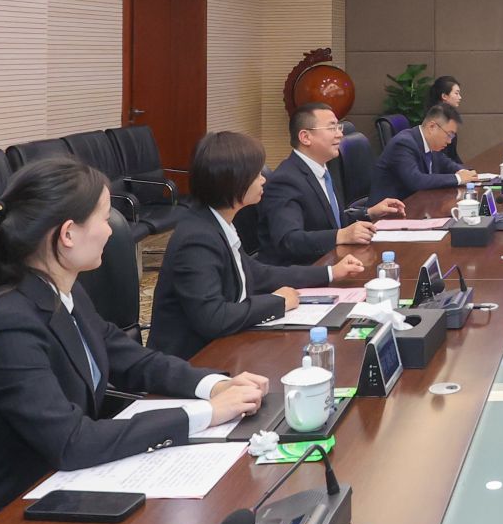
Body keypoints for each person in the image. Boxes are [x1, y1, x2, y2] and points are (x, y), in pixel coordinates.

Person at [0, 157, 268, 524]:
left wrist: (213, 385)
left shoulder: (61, 291)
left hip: (58, 498)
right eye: (104, 218)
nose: (111, 229)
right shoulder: (8, 323)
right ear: (68, 233)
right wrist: (206, 413)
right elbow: (72, 442)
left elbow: (129, 358)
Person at [149, 131, 366, 359]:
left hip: (227, 345)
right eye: (256, 175)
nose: (263, 180)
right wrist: (277, 302)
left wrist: (330, 272)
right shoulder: (197, 239)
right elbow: (213, 317)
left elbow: (258, 273)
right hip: (194, 359)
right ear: (234, 181)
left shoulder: (217, 222)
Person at [243, 103, 405, 265]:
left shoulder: (321, 169)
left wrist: (370, 213)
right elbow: (289, 240)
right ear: (305, 137)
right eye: (332, 128)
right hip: (300, 271)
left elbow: (329, 221)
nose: (340, 134)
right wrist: (341, 235)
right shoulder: (286, 181)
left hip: (330, 261)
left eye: (339, 127)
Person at [371, 101, 478, 202]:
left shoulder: (430, 144)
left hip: (416, 204)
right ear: (432, 127)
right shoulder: (403, 143)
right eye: (449, 135)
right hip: (389, 210)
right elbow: (416, 181)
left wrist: (465, 172)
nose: (450, 141)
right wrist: (458, 178)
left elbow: (446, 163)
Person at [427, 75, 463, 167]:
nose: (460, 97)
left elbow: (453, 154)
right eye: (456, 93)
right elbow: (439, 157)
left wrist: (465, 170)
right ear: (444, 96)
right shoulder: (435, 119)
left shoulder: (449, 117)